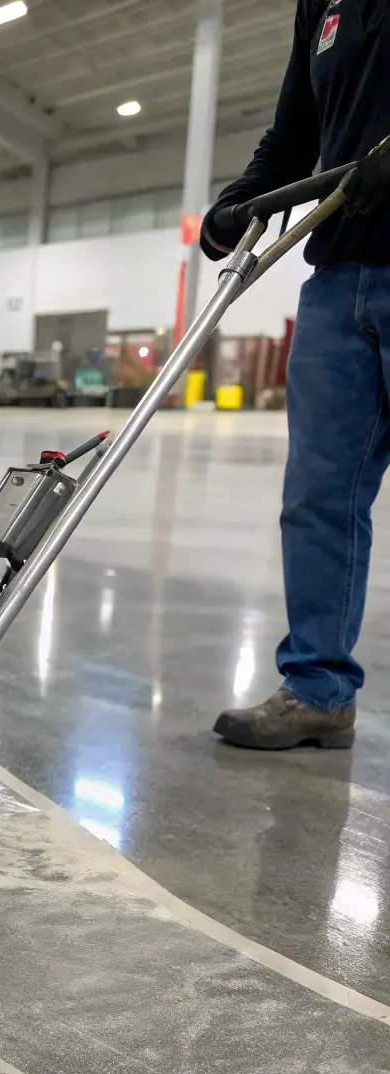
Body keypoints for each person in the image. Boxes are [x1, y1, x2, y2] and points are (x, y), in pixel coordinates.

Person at [202, 0, 390, 750]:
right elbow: (295, 132)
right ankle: (318, 690)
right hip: (339, 277)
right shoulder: (322, 4)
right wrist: (237, 203)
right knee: (318, 498)